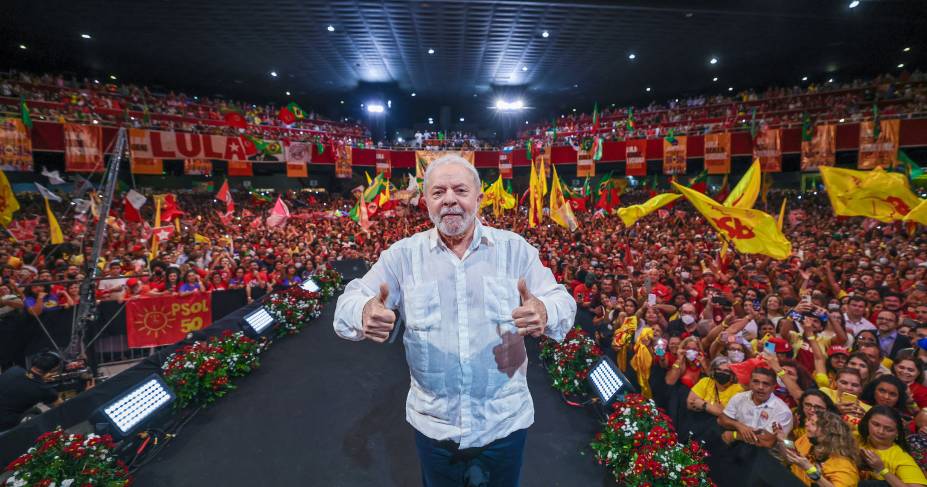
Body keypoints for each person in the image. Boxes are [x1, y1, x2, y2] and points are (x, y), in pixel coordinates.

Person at [333, 155, 576, 487]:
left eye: (460, 190)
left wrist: (546, 310)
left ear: (478, 198)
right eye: (438, 192)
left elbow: (563, 300)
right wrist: (362, 312)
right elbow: (350, 300)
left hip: (503, 424)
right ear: (427, 202)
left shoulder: (515, 250)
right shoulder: (403, 256)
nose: (449, 198)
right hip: (435, 428)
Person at [718, 368, 794, 447]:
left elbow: (767, 442)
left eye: (766, 384)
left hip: (767, 454)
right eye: (756, 382)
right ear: (750, 383)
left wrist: (734, 435)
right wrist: (739, 426)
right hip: (738, 447)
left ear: (773, 387)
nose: (760, 387)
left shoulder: (782, 411)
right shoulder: (739, 397)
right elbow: (722, 419)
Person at [782, 410, 860, 487]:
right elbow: (791, 458)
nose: (806, 424)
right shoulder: (807, 439)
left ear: (827, 433)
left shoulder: (843, 464)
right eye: (808, 420)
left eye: (813, 423)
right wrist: (782, 440)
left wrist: (809, 469)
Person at [858, 406, 927, 486]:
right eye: (876, 425)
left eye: (889, 429)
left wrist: (882, 470)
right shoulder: (853, 438)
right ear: (867, 423)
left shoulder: (901, 458)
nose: (880, 431)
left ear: (897, 433)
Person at [0, 352, 63, 431]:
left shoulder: (14, 369)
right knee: (37, 414)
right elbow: (60, 405)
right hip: (5, 427)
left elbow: (24, 382)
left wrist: (40, 379)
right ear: (54, 369)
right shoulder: (44, 389)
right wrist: (42, 383)